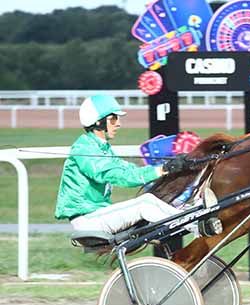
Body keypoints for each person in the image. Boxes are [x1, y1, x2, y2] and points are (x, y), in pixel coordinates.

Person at [54, 94, 191, 234]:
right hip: (87, 220)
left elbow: (130, 170)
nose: (118, 123)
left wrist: (163, 169)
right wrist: (162, 170)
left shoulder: (103, 148)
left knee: (162, 199)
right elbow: (120, 176)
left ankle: (192, 215)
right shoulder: (84, 148)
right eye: (113, 119)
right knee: (145, 203)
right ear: (98, 122)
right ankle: (193, 226)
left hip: (98, 215)